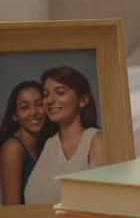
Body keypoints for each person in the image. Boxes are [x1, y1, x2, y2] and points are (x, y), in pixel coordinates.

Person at [22, 67, 105, 205]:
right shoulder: (49, 144)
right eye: (46, 95)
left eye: (60, 92)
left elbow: (102, 202)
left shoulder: (96, 141)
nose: (49, 100)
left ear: (83, 99)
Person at [1, 81, 52, 205]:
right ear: (15, 115)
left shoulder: (48, 143)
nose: (33, 112)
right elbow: (11, 207)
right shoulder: (13, 148)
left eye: (39, 104)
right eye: (24, 107)